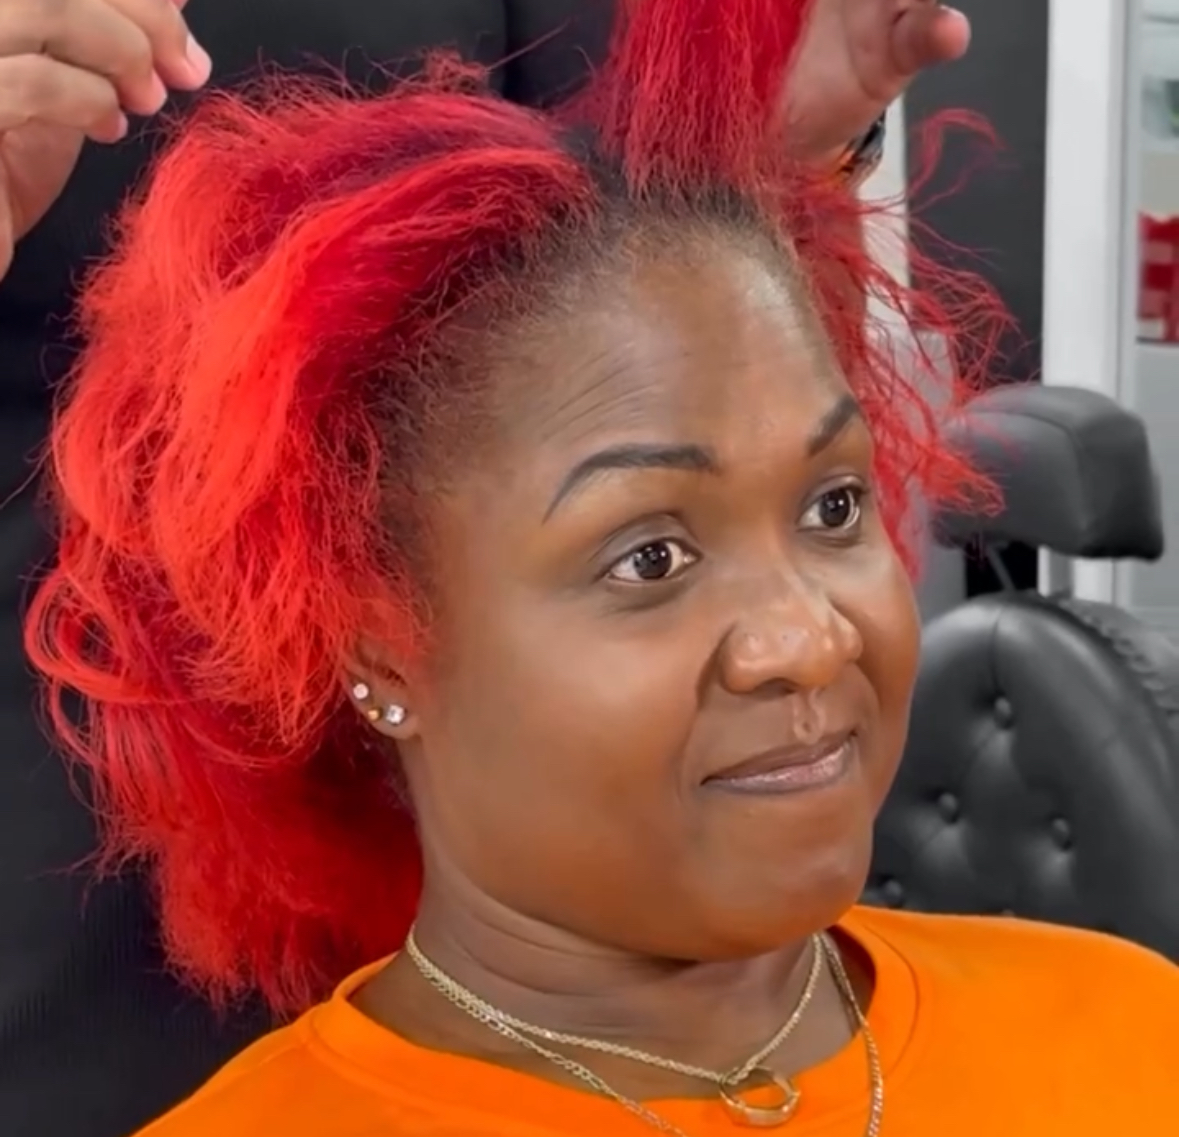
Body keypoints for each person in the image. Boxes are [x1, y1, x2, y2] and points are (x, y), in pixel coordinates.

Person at [21, 0, 1179, 1134]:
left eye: (833, 506)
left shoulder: (1131, 1027)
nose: (810, 637)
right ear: (380, 644)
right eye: (652, 557)